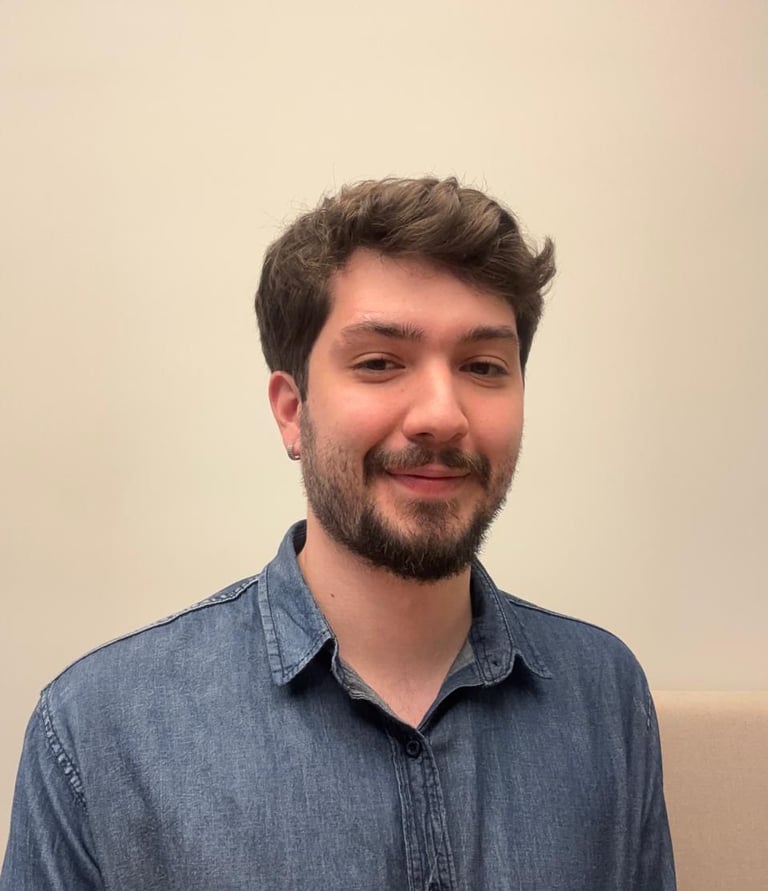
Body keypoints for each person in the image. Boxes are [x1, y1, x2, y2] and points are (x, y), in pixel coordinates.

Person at [1, 177, 676, 889]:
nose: (442, 415)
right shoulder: (96, 733)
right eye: (380, 362)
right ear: (292, 411)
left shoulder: (605, 695)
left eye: (483, 366)